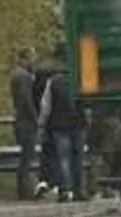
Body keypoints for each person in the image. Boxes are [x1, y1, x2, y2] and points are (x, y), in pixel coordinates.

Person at [35, 65, 83, 201]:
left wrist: (42, 124)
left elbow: (46, 105)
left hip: (59, 125)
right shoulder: (79, 80)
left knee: (64, 158)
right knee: (77, 158)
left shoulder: (53, 82)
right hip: (78, 123)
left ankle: (65, 190)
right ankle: (78, 190)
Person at [10, 48, 38, 200]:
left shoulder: (16, 74)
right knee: (27, 156)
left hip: (19, 118)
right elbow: (27, 99)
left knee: (25, 155)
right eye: (32, 58)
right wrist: (36, 118)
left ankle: (23, 188)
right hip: (26, 120)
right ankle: (24, 190)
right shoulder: (24, 76)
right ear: (25, 58)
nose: (33, 62)